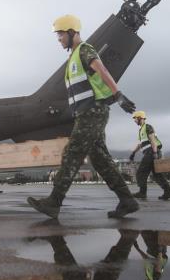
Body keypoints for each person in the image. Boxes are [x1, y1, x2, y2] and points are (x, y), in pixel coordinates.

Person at [27, 14, 139, 220]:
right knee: (101, 160)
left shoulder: (85, 50)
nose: (59, 39)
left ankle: (54, 202)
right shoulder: (74, 57)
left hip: (92, 112)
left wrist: (118, 94)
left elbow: (102, 69)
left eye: (60, 34)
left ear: (71, 32)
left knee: (72, 154)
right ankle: (127, 200)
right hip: (86, 113)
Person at [129, 111, 170, 201]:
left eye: (135, 118)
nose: (134, 121)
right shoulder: (141, 130)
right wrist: (133, 152)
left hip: (151, 152)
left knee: (141, 172)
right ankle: (168, 192)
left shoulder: (148, 127)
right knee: (157, 175)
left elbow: (153, 140)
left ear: (140, 118)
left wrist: (154, 153)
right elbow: (140, 144)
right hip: (149, 152)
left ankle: (142, 193)